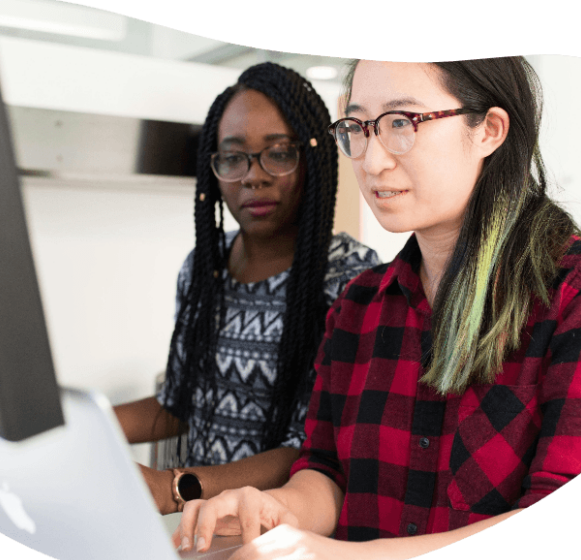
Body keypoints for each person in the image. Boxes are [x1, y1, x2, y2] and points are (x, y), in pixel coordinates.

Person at [175, 58, 581, 560]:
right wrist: (277, 511)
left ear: (488, 130)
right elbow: (325, 472)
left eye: (401, 123)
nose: (371, 160)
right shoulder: (360, 304)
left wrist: (344, 559)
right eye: (358, 127)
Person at [113, 62, 380, 515]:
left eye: (278, 153)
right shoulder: (204, 267)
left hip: (286, 537)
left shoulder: (351, 278)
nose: (253, 176)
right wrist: (78, 424)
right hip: (200, 535)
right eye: (234, 158)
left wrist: (174, 487)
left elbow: (316, 447)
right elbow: (179, 403)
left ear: (312, 158)